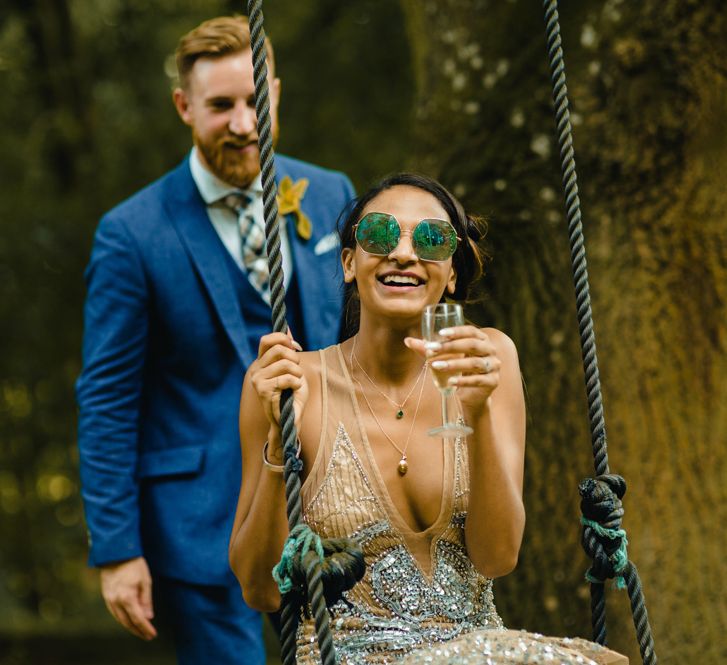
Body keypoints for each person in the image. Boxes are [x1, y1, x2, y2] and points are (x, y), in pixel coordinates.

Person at [229, 173, 627, 664]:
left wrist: (477, 412)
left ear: (452, 273)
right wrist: (276, 440)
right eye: (379, 234)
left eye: (431, 240)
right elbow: (259, 590)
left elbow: (498, 556)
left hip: (479, 652)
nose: (402, 253)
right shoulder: (289, 380)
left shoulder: (488, 360)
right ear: (350, 261)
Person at [76, 15, 355, 665]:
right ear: (183, 106)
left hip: (334, 513)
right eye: (220, 106)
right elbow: (107, 400)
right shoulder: (132, 232)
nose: (242, 123)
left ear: (276, 94)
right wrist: (117, 549)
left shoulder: (333, 192)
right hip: (200, 526)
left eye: (255, 100)